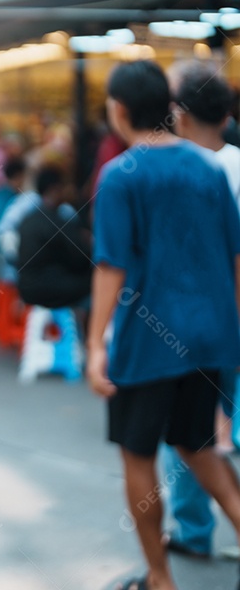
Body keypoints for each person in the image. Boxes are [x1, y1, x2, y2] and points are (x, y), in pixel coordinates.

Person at [87, 60, 240, 590]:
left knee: (138, 452)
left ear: (120, 110)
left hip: (147, 340)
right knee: (199, 447)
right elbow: (236, 256)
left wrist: (94, 345)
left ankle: (159, 577)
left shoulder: (120, 175)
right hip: (209, 336)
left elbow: (111, 267)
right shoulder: (209, 169)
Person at [158, 60, 240, 560]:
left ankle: (192, 531)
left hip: (195, 328)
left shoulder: (182, 172)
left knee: (189, 433)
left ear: (179, 114)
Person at [14, 166, 91, 309]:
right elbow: (79, 258)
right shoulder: (56, 221)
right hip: (45, 289)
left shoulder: (29, 218)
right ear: (54, 189)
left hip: (25, 287)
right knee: (93, 282)